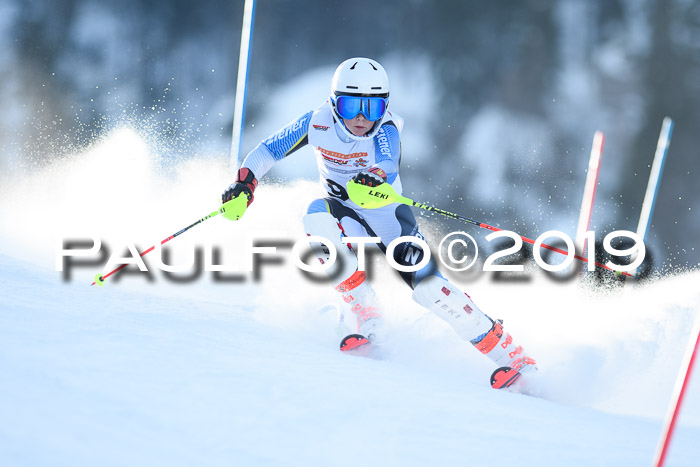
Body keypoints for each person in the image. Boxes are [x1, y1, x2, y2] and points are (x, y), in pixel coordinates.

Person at [222, 57, 537, 375]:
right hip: (342, 213)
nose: (360, 118)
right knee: (316, 218)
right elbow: (267, 150)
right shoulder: (316, 122)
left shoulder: (386, 127)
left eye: (371, 108)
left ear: (383, 107)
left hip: (387, 216)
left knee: (430, 289)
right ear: (334, 104)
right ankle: (366, 314)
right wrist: (244, 183)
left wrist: (374, 175)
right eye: (350, 106)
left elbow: (387, 162)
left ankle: (515, 360)